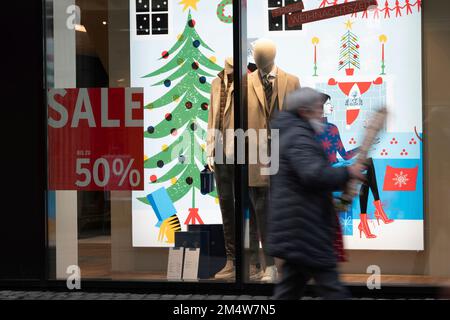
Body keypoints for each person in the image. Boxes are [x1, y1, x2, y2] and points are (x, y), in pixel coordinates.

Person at [267, 87, 367, 300]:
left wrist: (358, 153)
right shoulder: (299, 137)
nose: (321, 114)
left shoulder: (292, 133)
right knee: (332, 288)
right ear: (304, 111)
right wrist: (348, 172)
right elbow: (313, 175)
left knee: (289, 289)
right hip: (305, 228)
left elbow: (331, 160)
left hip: (299, 227)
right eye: (317, 109)